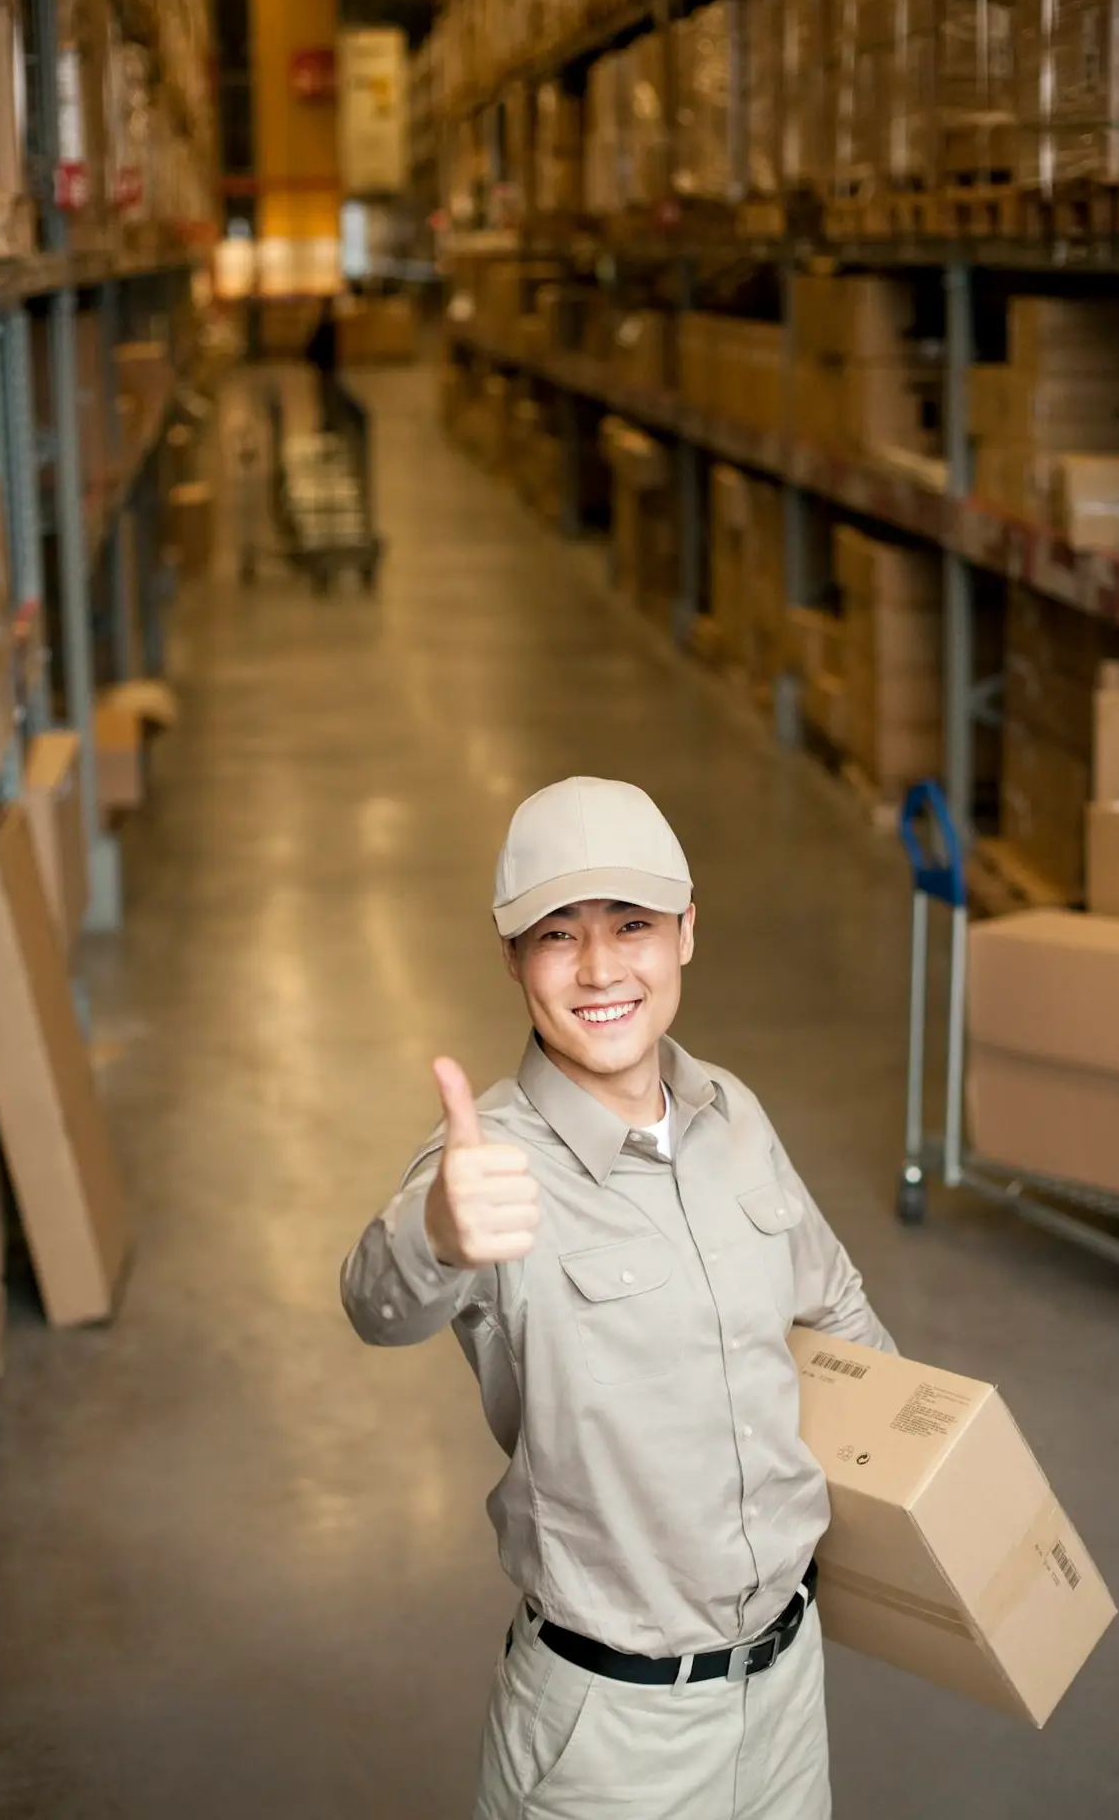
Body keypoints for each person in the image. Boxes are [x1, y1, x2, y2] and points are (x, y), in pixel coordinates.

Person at [341, 775, 896, 1820]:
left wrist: (931, 1475)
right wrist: (437, 1235)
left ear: (685, 931)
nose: (599, 968)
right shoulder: (488, 1162)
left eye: (630, 925)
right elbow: (374, 1302)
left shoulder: (732, 1114)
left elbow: (838, 1314)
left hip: (784, 1696)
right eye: (557, 935)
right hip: (611, 1740)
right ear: (511, 958)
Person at [304, 294, 339, 430]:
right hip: (325, 366)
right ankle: (328, 421)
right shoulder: (328, 323)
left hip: (326, 367)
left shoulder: (327, 324)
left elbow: (322, 345)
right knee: (324, 396)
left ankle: (330, 422)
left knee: (327, 396)